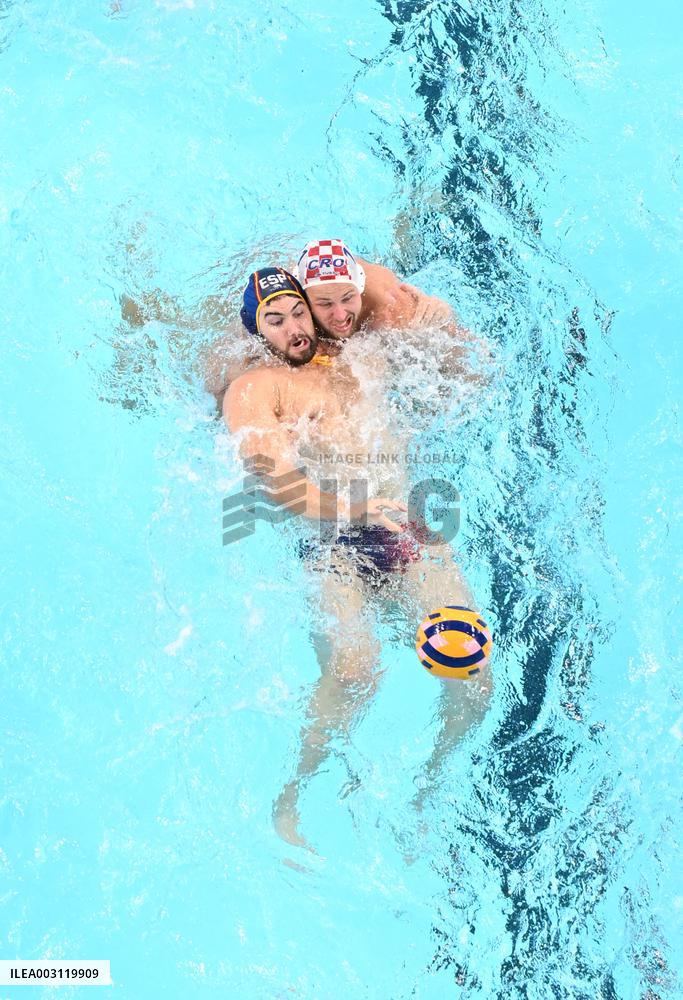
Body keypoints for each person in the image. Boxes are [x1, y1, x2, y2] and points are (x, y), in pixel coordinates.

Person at [224, 267, 491, 849]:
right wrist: (355, 507)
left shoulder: (356, 350)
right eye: (276, 320)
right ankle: (291, 798)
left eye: (299, 311)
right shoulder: (258, 389)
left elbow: (468, 371)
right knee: (354, 672)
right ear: (256, 331)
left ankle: (429, 789)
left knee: (472, 671)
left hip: (407, 533)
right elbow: (275, 483)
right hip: (336, 546)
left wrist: (437, 319)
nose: (296, 328)